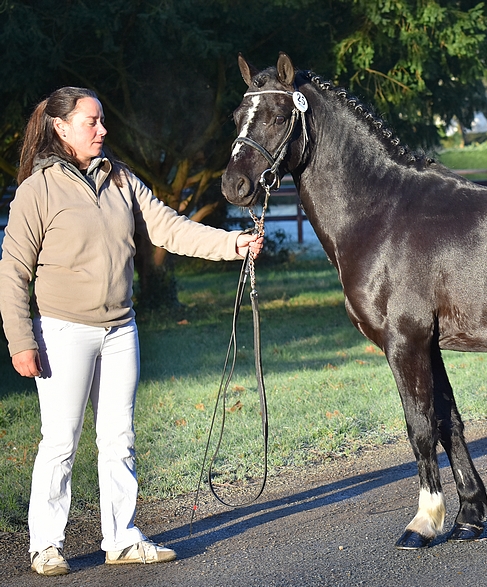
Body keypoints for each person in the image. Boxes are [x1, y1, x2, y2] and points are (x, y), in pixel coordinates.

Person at [0, 87, 264, 576]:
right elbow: (13, 268)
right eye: (91, 122)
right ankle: (46, 546)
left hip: (120, 328)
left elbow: (169, 227)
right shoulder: (38, 190)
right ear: (60, 128)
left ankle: (121, 537)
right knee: (61, 440)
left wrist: (233, 244)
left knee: (119, 436)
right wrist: (21, 340)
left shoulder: (120, 179)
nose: (103, 130)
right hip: (62, 330)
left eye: (102, 121)